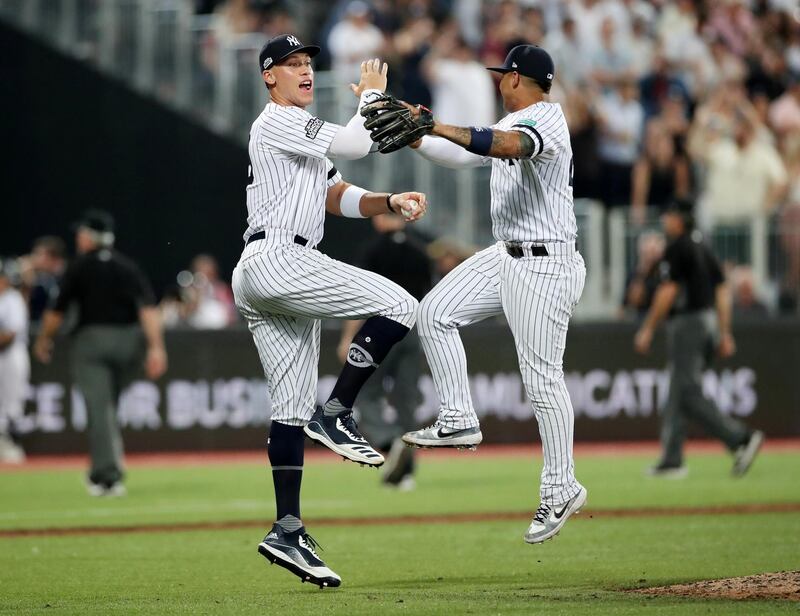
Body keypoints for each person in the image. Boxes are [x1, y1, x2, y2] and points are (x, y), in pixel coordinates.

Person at [369, 45, 588, 544]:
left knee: (542, 381)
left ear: (516, 78)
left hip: (546, 262)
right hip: (506, 253)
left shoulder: (547, 120)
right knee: (435, 313)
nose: (497, 82)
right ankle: (458, 418)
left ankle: (561, 486)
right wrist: (421, 134)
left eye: (502, 75)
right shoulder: (508, 124)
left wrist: (436, 124)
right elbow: (463, 152)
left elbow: (504, 146)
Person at [233, 34, 427, 588]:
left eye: (308, 63)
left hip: (269, 268)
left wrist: (386, 203)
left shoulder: (301, 136)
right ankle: (338, 410)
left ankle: (287, 529)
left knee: (288, 409)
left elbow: (337, 195)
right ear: (269, 76)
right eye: (291, 64)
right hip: (278, 257)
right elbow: (356, 142)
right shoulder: (275, 121)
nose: (304, 71)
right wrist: (370, 97)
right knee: (399, 303)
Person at [32, 210, 168, 495]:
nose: (78, 238)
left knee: (100, 410)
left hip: (92, 342)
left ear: (89, 236)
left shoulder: (79, 267)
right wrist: (156, 347)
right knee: (107, 409)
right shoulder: (126, 266)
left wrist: (44, 339)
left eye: (81, 233)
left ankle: (107, 477)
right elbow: (147, 309)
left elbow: (56, 312)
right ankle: (104, 468)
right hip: (129, 343)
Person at [633, 199, 764, 478]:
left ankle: (740, 438)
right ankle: (672, 459)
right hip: (707, 321)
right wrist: (724, 331)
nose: (665, 219)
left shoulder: (678, 247)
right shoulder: (701, 245)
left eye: (668, 214)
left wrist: (647, 328)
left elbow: (668, 291)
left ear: (679, 219)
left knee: (688, 394)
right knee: (678, 391)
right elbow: (721, 289)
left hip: (688, 323)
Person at [336, 213, 433, 490]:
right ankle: (406, 473)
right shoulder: (419, 251)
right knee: (407, 400)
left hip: (380, 330)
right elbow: (430, 300)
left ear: (379, 221)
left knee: (365, 393)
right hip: (413, 332)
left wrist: (347, 338)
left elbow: (358, 298)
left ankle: (390, 443)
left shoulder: (372, 250)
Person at [0, 259, 29, 463]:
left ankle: (10, 444)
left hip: (11, 354)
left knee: (12, 401)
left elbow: (11, 332)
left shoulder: (12, 299)